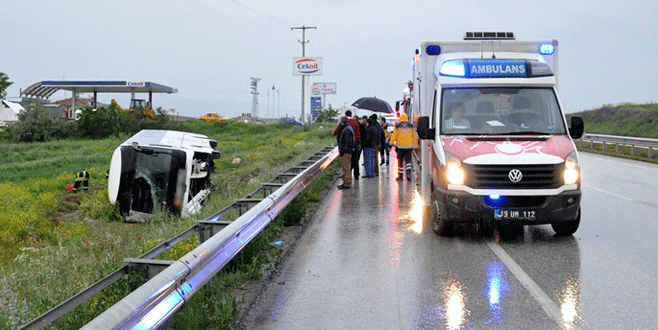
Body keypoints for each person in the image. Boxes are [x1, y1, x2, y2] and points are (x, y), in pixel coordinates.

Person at [332, 110, 362, 179]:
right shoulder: (355, 122)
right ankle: (356, 175)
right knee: (355, 160)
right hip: (355, 144)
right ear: (351, 115)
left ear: (345, 115)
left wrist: (333, 133)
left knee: (347, 162)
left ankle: (347, 177)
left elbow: (335, 132)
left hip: (346, 145)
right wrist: (359, 143)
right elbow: (358, 134)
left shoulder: (343, 122)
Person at [389, 112, 419, 181]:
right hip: (408, 147)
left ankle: (400, 176)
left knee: (400, 162)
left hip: (400, 147)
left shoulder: (397, 126)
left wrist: (391, 144)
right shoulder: (411, 126)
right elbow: (414, 136)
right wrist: (415, 145)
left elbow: (394, 136)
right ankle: (408, 174)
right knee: (408, 161)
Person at [337, 116, 356, 189]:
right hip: (347, 151)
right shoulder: (348, 128)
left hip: (346, 152)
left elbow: (347, 142)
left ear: (342, 122)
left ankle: (347, 183)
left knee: (346, 167)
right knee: (346, 167)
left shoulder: (347, 130)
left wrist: (343, 151)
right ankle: (345, 182)